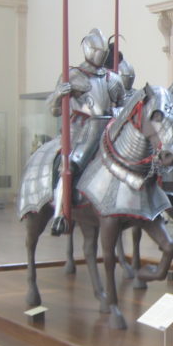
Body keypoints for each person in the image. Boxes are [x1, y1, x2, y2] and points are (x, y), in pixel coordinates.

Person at [47, 28, 125, 235]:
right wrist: (58, 95)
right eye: (98, 50)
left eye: (103, 51)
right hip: (81, 129)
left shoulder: (113, 78)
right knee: (68, 164)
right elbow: (53, 109)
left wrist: (118, 111)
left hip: (108, 127)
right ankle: (60, 215)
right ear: (88, 49)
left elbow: (123, 105)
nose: (101, 54)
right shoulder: (72, 75)